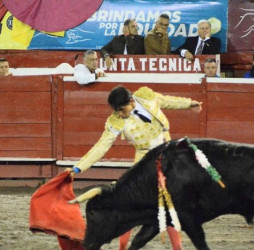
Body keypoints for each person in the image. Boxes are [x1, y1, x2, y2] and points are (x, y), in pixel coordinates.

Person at [66, 85, 202, 250]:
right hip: (143, 163)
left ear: (131, 101)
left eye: (122, 110)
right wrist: (78, 168)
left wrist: (189, 103)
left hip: (168, 155)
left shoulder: (146, 97)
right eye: (117, 111)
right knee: (130, 205)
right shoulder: (115, 121)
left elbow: (167, 101)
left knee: (170, 203)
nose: (119, 114)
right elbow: (101, 146)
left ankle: (177, 247)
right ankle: (123, 246)